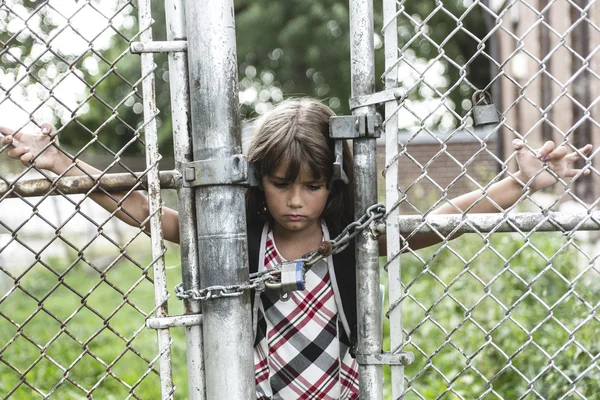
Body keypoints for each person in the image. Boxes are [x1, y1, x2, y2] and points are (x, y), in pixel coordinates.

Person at [0, 98, 592, 398]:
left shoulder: (346, 240)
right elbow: (149, 210)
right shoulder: (247, 239)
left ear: (333, 186)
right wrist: (60, 163)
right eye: (282, 184)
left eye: (312, 186)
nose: (296, 201)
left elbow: (444, 219)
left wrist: (516, 185)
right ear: (258, 179)